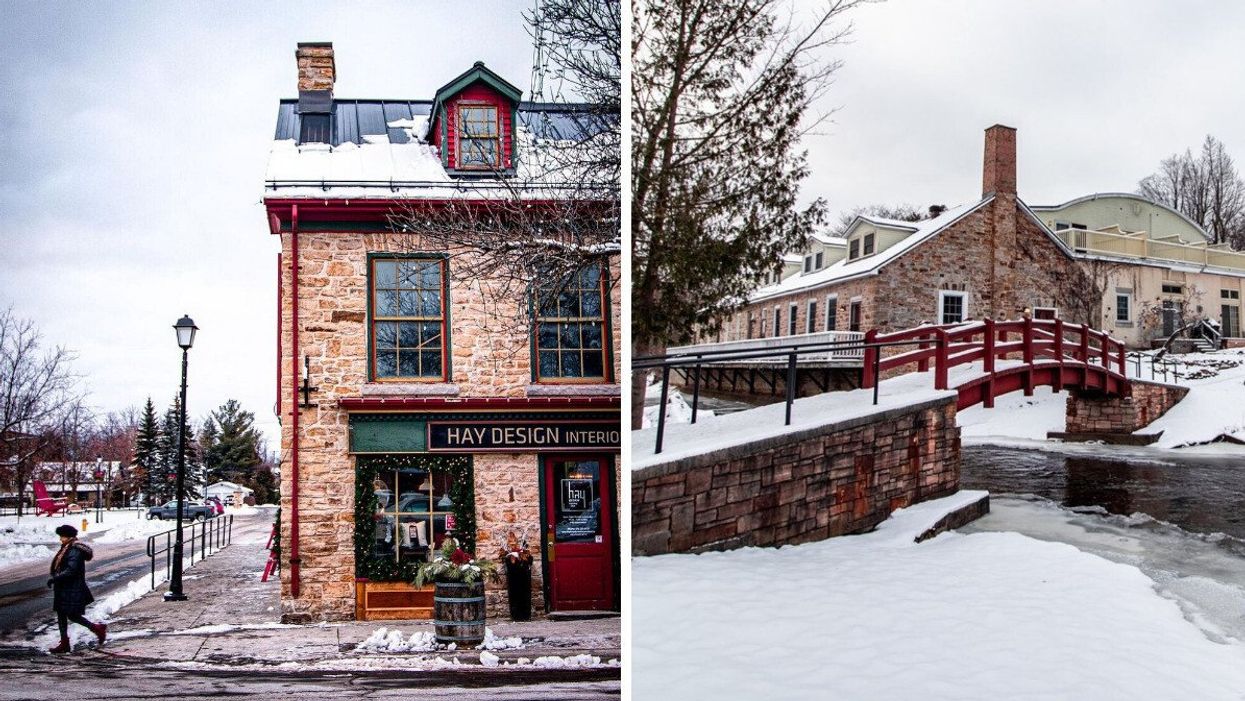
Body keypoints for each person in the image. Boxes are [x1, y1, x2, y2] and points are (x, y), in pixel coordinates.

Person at [46, 524, 106, 654]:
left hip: (71, 588)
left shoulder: (74, 550)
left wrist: (56, 578)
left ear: (68, 537)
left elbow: (71, 570)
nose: (60, 539)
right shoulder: (67, 548)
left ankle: (97, 628)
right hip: (64, 587)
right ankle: (64, 643)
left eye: (62, 536)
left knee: (73, 615)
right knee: (61, 614)